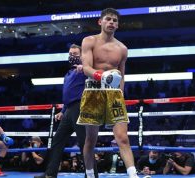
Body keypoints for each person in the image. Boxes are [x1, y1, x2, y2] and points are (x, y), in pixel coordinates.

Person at [77, 8, 139, 178]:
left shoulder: (122, 48)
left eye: (115, 20)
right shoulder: (89, 41)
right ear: (100, 22)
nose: (112, 22)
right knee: (91, 140)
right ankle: (90, 175)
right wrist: (102, 75)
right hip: (93, 91)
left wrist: (121, 96)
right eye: (108, 19)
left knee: (123, 138)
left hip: (114, 95)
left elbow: (122, 76)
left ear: (118, 25)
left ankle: (133, 175)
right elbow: (87, 68)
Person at [34, 44, 98, 178]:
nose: (72, 57)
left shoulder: (85, 69)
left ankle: (92, 175)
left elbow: (97, 73)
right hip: (69, 109)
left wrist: (86, 68)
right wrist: (62, 111)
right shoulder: (68, 73)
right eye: (70, 54)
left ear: (81, 56)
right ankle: (50, 174)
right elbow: (68, 95)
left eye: (75, 54)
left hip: (81, 107)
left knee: (84, 142)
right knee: (57, 140)